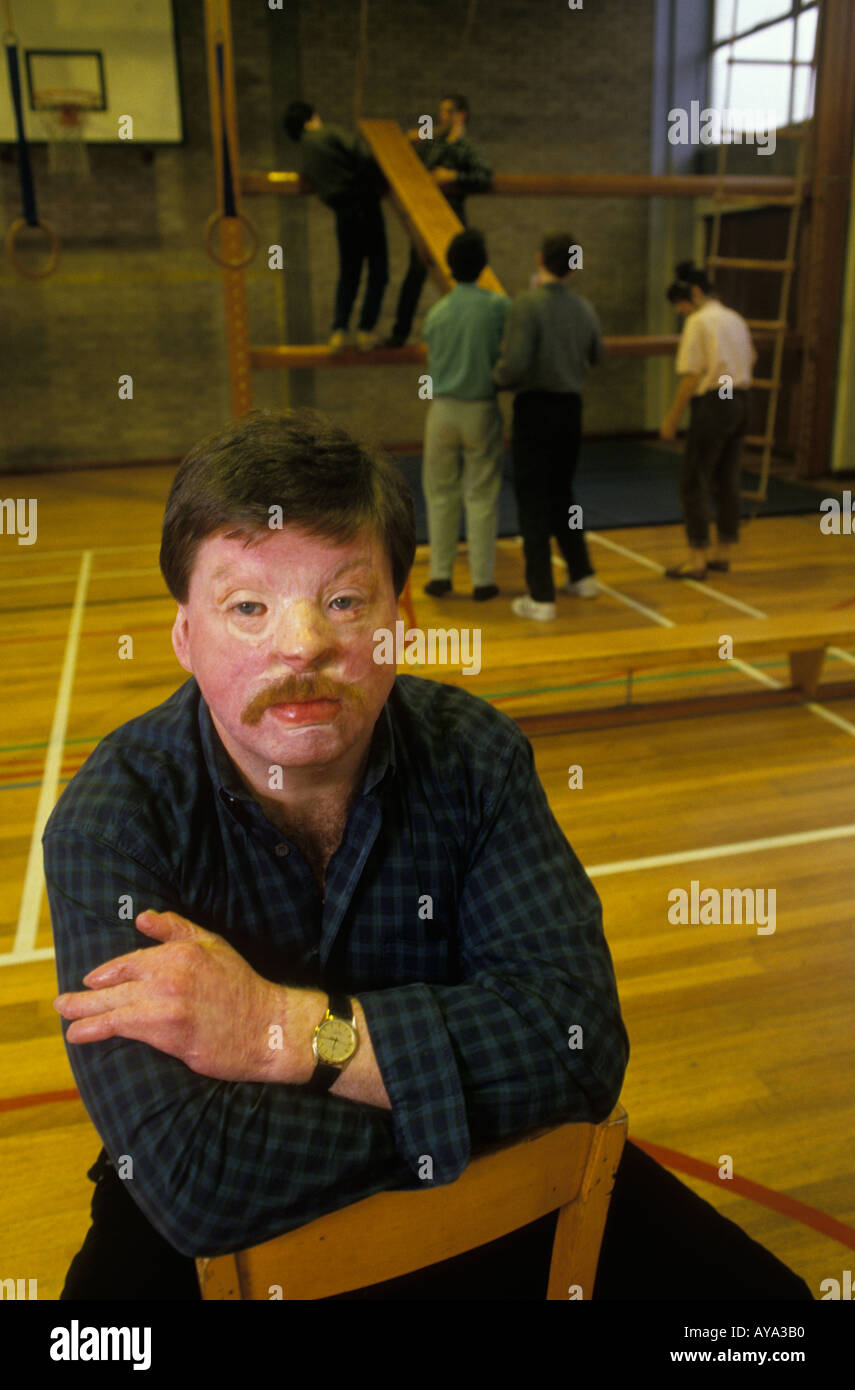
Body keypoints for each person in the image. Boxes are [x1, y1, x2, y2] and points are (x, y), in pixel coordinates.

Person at [47, 409, 811, 1302]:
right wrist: (467, 1094)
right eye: (247, 606)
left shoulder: (476, 757)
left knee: (771, 1324)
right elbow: (197, 1178)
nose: (302, 646)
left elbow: (578, 1047)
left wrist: (281, 1033)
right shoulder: (111, 823)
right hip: (408, 1179)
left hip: (480, 1195)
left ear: (400, 621)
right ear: (185, 637)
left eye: (343, 600)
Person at [493, 231, 603, 621]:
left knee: (533, 501)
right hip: (571, 410)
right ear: (574, 266)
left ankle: (541, 595)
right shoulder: (585, 308)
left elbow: (516, 364)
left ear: (540, 258)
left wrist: (494, 379)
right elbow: (597, 354)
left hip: (536, 409)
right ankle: (582, 573)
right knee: (563, 494)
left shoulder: (527, 305)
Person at [421, 229, 510, 600]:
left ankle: (441, 575)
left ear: (450, 267)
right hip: (481, 407)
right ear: (484, 264)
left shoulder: (437, 312)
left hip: (441, 409)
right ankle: (482, 581)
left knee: (440, 493)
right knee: (481, 495)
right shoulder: (498, 306)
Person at [660, 261, 756, 579]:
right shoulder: (735, 318)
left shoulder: (699, 322)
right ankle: (722, 552)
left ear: (695, 294)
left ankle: (697, 557)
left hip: (715, 400)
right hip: (739, 397)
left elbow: (691, 375)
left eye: (683, 305)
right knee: (726, 479)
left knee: (693, 479)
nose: (683, 311)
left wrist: (672, 417)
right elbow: (750, 359)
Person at [381, 94, 493, 349]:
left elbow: (484, 176)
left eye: (449, 111)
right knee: (415, 274)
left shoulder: (467, 148)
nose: (443, 116)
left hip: (451, 217)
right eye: (441, 111)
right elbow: (410, 162)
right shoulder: (433, 143)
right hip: (425, 215)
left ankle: (469, 334)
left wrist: (453, 175)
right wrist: (408, 141)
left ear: (461, 114)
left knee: (460, 276)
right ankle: (400, 332)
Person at [284, 101, 388, 351]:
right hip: (365, 204)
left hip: (343, 214)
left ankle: (339, 330)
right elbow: (362, 154)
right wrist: (380, 183)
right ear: (312, 117)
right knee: (378, 269)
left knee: (349, 271)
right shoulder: (329, 132)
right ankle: (366, 330)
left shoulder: (305, 154)